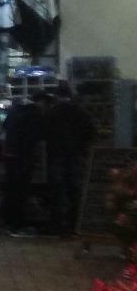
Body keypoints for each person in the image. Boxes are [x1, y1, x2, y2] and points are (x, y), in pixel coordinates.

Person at [44, 81, 96, 235]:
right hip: (76, 156)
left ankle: (57, 224)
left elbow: (44, 133)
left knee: (57, 191)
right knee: (75, 190)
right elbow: (91, 132)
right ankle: (75, 224)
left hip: (57, 155)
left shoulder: (52, 112)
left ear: (57, 96)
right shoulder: (81, 112)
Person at [1, 93, 47, 236]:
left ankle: (7, 223)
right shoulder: (35, 115)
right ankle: (17, 225)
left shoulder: (15, 110)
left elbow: (5, 125)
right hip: (23, 157)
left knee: (10, 189)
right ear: (41, 102)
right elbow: (37, 136)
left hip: (9, 155)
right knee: (21, 191)